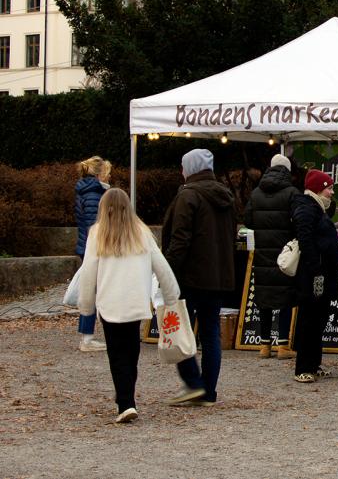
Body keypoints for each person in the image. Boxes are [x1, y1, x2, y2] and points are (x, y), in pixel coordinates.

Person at [77, 188, 181, 424]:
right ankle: (127, 396)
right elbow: (161, 266)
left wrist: (86, 306)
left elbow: (88, 274)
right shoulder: (141, 233)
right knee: (131, 351)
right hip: (135, 302)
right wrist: (172, 296)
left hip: (110, 303)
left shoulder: (97, 234)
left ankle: (125, 402)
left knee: (116, 353)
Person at [162, 148, 238, 407]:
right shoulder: (226, 197)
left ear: (189, 168)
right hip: (217, 276)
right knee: (210, 333)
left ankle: (194, 382)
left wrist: (167, 271)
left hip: (190, 276)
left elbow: (180, 239)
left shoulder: (188, 196)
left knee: (181, 329)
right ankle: (209, 391)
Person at [243, 154, 299, 360]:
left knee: (264, 299)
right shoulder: (292, 192)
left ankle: (264, 345)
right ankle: (283, 346)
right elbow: (298, 221)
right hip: (285, 253)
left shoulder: (256, 192)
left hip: (262, 253)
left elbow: (248, 219)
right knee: (285, 298)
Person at [291, 169, 338, 383]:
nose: (332, 192)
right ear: (318, 189)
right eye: (329, 188)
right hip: (312, 276)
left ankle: (314, 363)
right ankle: (302, 366)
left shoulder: (318, 208)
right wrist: (316, 271)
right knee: (309, 319)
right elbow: (306, 240)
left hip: (322, 274)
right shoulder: (306, 209)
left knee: (319, 318)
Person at [74, 155, 112, 352]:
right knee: (92, 292)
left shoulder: (85, 190)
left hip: (86, 246)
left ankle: (87, 336)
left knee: (91, 291)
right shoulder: (94, 193)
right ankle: (87, 338)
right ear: (100, 174)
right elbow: (93, 224)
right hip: (94, 248)